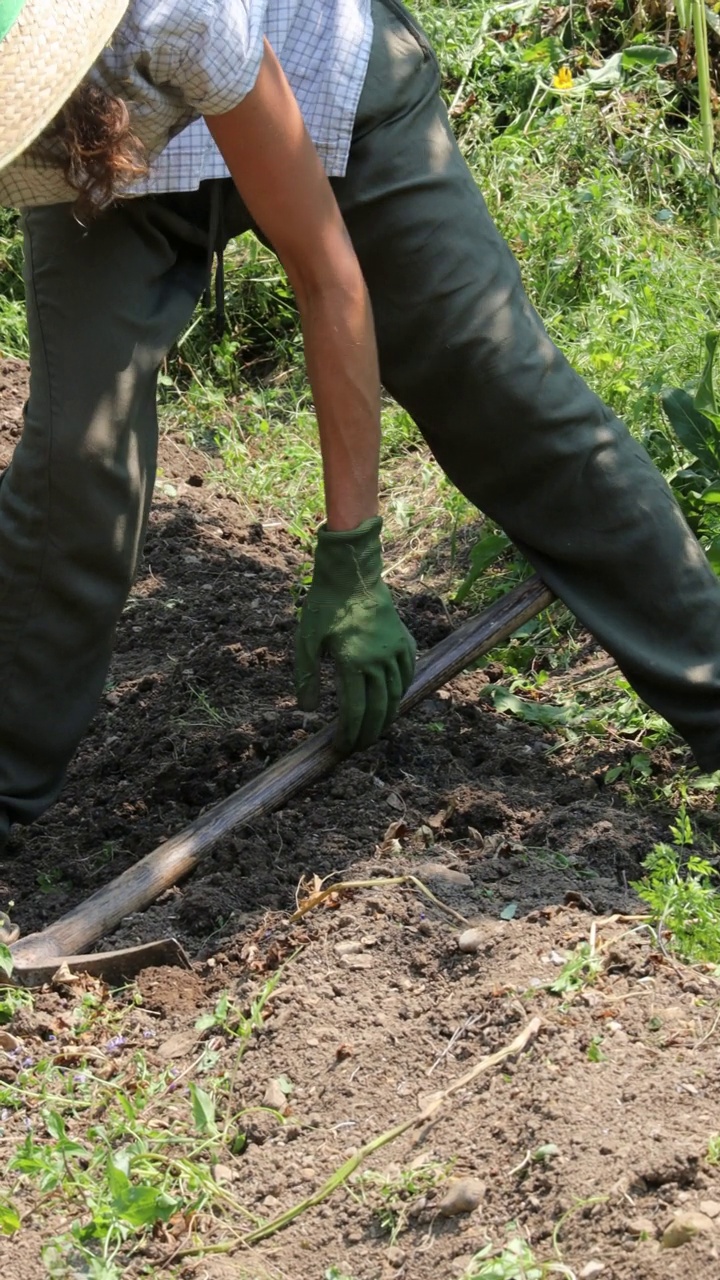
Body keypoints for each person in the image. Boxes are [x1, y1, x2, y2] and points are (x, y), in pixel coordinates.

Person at [1, 0, 720, 877]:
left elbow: (324, 270)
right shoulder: (30, 95)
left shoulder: (177, 13)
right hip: (102, 161)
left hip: (321, 84)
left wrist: (353, 557)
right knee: (77, 459)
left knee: (496, 386)